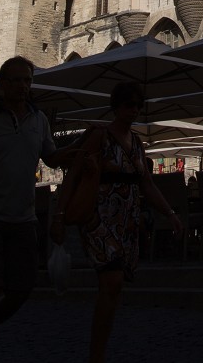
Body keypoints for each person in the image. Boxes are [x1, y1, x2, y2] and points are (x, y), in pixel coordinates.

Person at [0, 56, 79, 363]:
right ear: (2, 85)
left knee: (22, 289)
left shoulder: (39, 120)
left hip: (23, 218)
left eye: (27, 81)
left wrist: (82, 147)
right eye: (17, 80)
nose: (23, 86)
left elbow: (51, 158)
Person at [54, 82, 182, 363]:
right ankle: (96, 355)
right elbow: (74, 174)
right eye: (128, 105)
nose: (134, 111)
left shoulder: (136, 143)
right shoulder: (99, 136)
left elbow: (147, 183)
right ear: (116, 107)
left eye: (138, 106)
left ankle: (99, 348)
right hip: (99, 216)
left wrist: (169, 213)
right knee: (111, 281)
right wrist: (60, 215)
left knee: (114, 287)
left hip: (127, 220)